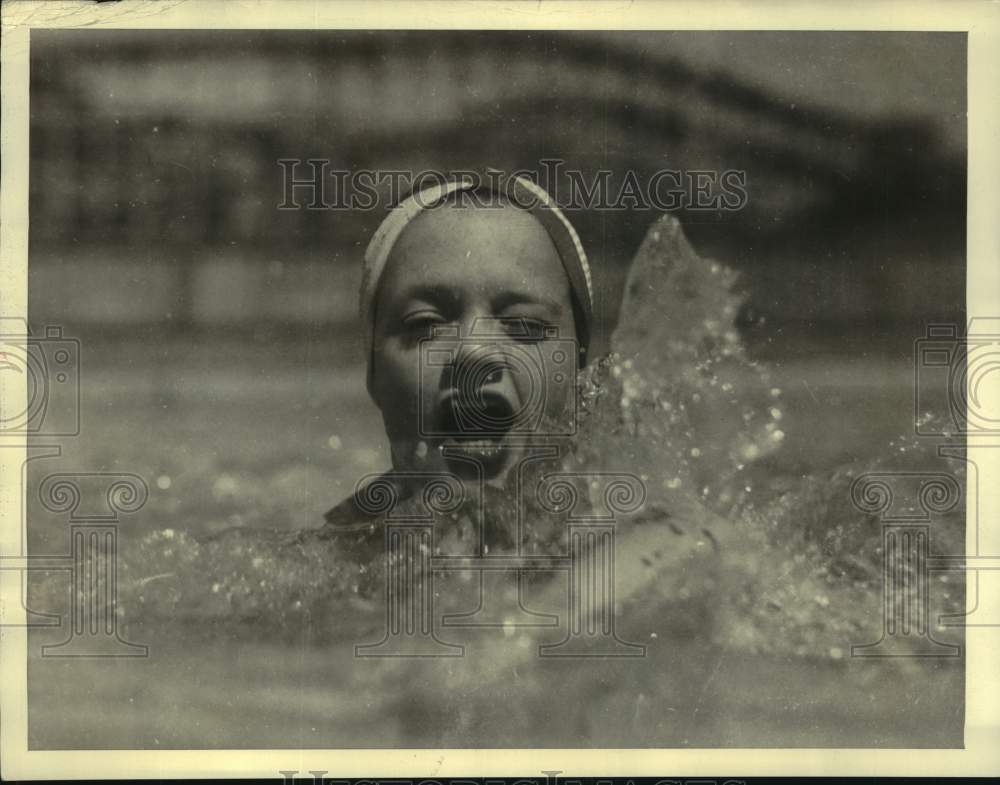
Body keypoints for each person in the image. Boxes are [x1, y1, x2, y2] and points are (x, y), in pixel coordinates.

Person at [323, 172, 595, 553]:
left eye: (524, 324)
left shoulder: (665, 553)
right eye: (426, 325)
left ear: (581, 375)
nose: (473, 353)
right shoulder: (317, 571)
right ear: (374, 374)